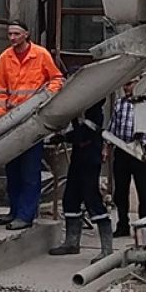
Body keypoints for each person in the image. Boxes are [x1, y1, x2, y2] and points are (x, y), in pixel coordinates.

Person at [0, 19, 63, 229]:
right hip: (12, 121)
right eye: (10, 34)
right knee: (13, 170)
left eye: (16, 34)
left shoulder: (40, 55)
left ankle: (25, 215)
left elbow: (57, 79)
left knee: (30, 171)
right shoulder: (5, 58)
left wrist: (45, 98)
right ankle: (14, 211)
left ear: (26, 34)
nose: (12, 38)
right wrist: (0, 116)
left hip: (33, 121)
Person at [48, 99, 112, 261]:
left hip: (90, 159)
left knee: (92, 199)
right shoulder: (80, 110)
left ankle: (107, 249)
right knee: (70, 198)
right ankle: (71, 243)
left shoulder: (95, 112)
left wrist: (64, 137)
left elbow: (84, 133)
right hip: (78, 157)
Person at [106, 79, 146, 237]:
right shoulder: (119, 104)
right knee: (120, 191)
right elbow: (113, 127)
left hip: (141, 151)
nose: (127, 88)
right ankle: (122, 224)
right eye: (125, 84)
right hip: (122, 149)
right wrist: (106, 147)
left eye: (130, 84)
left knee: (144, 191)